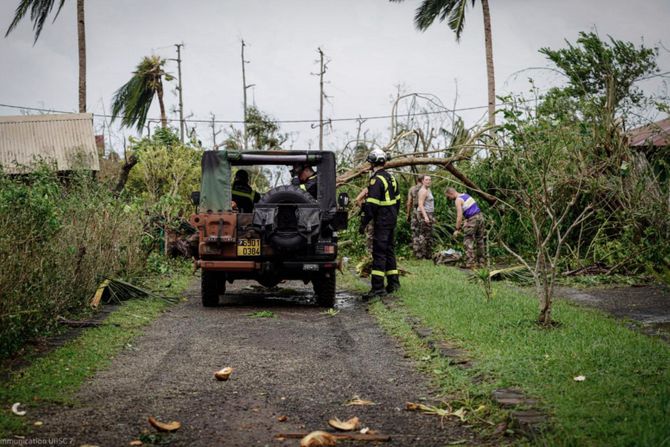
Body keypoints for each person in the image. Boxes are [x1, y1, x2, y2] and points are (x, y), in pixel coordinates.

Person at [360, 148, 400, 298]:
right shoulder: (392, 178)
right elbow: (398, 201)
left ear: (372, 163)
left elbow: (371, 205)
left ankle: (377, 289)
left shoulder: (376, 180)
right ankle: (393, 284)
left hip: (382, 221)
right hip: (391, 220)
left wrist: (363, 223)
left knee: (379, 253)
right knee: (389, 251)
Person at [446, 187, 485, 268]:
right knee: (480, 240)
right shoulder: (466, 195)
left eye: (448, 197)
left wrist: (457, 229)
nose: (449, 199)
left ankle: (470, 263)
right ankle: (481, 262)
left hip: (473, 219)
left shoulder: (458, 200)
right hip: (480, 217)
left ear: (451, 193)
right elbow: (471, 209)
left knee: (468, 240)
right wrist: (467, 221)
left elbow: (459, 216)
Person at [416, 175, 435, 259]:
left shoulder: (428, 189)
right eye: (426, 180)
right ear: (422, 181)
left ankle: (428, 255)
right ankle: (421, 255)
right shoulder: (423, 191)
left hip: (429, 213)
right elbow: (420, 205)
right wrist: (425, 216)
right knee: (423, 234)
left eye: (430, 180)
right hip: (424, 213)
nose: (429, 181)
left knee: (428, 234)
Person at [406, 175, 425, 258]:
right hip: (424, 211)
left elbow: (409, 202)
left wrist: (408, 214)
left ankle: (416, 252)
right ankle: (423, 252)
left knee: (415, 231)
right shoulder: (425, 189)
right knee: (423, 231)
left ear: (417, 180)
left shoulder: (412, 189)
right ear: (423, 180)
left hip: (415, 210)